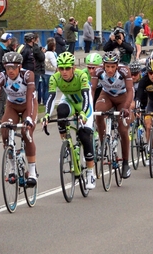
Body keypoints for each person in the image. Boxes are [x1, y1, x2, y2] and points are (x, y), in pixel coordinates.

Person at [42, 52, 96, 189]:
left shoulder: (81, 75)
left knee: (84, 135)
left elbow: (85, 96)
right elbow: (51, 98)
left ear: (73, 68)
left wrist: (83, 114)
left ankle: (90, 172)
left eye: (67, 68)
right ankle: (66, 144)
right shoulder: (55, 78)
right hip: (70, 102)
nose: (64, 72)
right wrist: (47, 115)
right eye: (61, 68)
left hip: (85, 104)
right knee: (61, 113)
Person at [0, 52, 38, 186]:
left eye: (13, 67)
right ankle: (12, 167)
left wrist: (29, 118)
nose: (10, 71)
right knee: (5, 131)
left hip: (28, 105)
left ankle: (32, 172)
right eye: (7, 68)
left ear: (20, 67)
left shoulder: (28, 75)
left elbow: (30, 97)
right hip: (12, 106)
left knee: (26, 132)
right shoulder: (1, 77)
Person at [91, 51, 133, 179]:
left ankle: (125, 162)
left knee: (122, 129)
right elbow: (92, 90)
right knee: (98, 111)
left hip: (122, 97)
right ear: (103, 65)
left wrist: (126, 107)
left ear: (117, 66)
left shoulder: (124, 71)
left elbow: (130, 90)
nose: (109, 70)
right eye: (107, 66)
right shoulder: (98, 71)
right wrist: (88, 109)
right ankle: (103, 143)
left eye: (112, 67)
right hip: (107, 96)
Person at [0, 32, 13, 124]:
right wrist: (3, 73)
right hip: (0, 76)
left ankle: (2, 114)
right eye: (10, 39)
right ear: (8, 40)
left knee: (3, 97)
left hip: (2, 75)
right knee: (0, 97)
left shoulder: (4, 49)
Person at [42, 41, 57, 105]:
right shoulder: (51, 54)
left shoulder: (45, 53)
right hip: (50, 73)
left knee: (44, 88)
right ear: (53, 47)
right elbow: (54, 64)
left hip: (44, 72)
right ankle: (47, 102)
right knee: (49, 88)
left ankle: (44, 101)